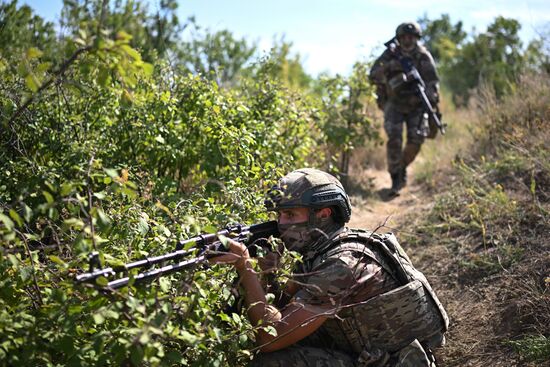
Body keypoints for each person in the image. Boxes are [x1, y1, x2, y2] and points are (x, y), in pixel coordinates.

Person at [211, 168, 448, 366]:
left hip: (388, 362)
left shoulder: (341, 264)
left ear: (323, 214)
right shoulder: (320, 250)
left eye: (290, 214)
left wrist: (245, 266)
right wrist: (267, 274)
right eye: (280, 215)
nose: (281, 224)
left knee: (270, 362)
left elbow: (271, 336)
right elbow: (285, 310)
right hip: (365, 352)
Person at [369, 22, 440, 195]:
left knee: (416, 140)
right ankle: (396, 179)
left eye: (411, 37)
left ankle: (401, 167)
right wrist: (392, 68)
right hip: (394, 103)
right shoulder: (390, 54)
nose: (408, 40)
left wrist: (431, 100)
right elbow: (373, 75)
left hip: (416, 104)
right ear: (399, 38)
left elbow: (432, 82)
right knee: (394, 139)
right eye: (404, 37)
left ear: (416, 38)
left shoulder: (423, 56)